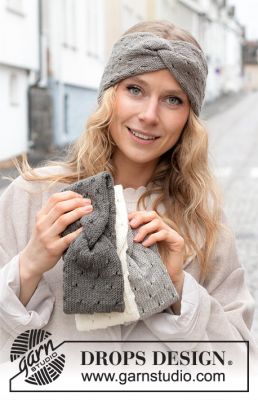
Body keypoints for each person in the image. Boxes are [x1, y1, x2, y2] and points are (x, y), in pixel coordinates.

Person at [0, 20, 257, 368]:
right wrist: (29, 267)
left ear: (188, 117)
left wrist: (180, 289)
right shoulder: (30, 197)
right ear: (110, 95)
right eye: (135, 89)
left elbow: (242, 364)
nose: (149, 116)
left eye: (172, 99)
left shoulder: (203, 220)